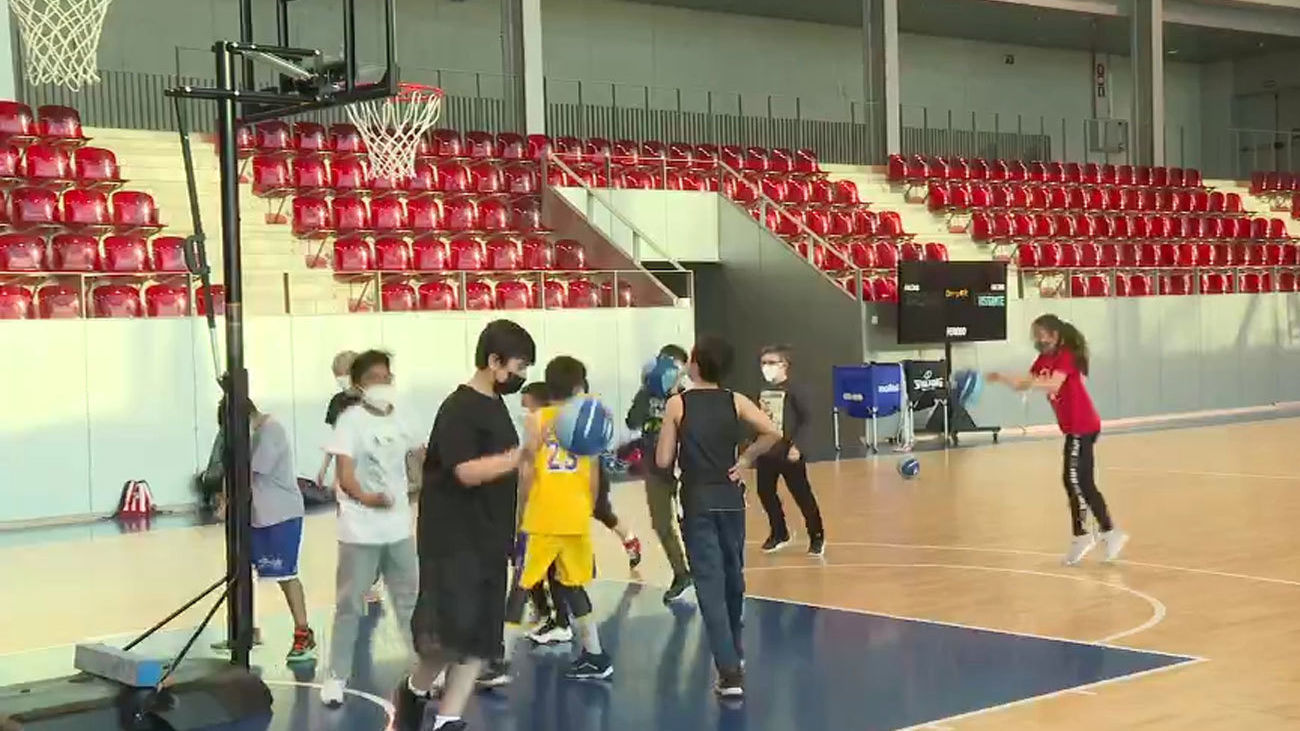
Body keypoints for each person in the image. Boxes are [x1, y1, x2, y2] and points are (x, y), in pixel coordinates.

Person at [403, 320, 536, 731]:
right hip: (454, 541)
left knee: (481, 638)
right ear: (494, 361)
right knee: (449, 638)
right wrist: (520, 455)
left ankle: (449, 719)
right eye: (518, 367)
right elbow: (465, 471)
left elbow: (507, 469)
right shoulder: (458, 409)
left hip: (491, 538)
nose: (521, 376)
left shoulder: (497, 406)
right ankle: (412, 691)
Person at [656, 335, 781, 699]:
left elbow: (663, 460)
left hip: (697, 499)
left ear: (694, 364)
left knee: (709, 585)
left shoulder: (677, 403)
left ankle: (729, 672)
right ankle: (735, 652)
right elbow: (772, 432)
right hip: (730, 497)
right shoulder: (736, 400)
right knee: (732, 578)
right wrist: (745, 460)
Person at [320, 350, 425, 707]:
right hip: (359, 531)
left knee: (409, 600)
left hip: (398, 529)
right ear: (358, 385)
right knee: (350, 604)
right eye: (373, 378)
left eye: (386, 376)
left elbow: (421, 456)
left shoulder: (404, 416)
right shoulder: (350, 421)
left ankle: (423, 669)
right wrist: (368, 498)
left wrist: (425, 481)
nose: (382, 383)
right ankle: (336, 675)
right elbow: (345, 475)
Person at [987, 314, 1129, 566]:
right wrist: (1002, 377)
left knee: (1072, 479)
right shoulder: (1043, 360)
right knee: (1084, 483)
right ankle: (1110, 532)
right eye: (1035, 335)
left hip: (1082, 425)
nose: (1037, 339)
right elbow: (1025, 383)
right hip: (1074, 428)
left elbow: (1053, 384)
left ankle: (1082, 535)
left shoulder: (1066, 356)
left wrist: (1032, 382)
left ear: (1054, 335)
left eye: (1041, 334)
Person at [517, 356, 612, 679]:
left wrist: (521, 510)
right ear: (578, 385)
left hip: (543, 514)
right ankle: (595, 653)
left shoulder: (537, 420)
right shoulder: (590, 417)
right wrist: (589, 508)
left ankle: (499, 659)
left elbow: (527, 471)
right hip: (575, 514)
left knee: (520, 585)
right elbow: (595, 476)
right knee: (573, 585)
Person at [214, 397, 314, 663]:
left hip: (280, 515)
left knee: (285, 575)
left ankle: (303, 633)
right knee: (242, 571)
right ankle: (248, 629)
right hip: (256, 516)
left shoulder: (271, 432)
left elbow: (247, 473)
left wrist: (226, 501)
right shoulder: (251, 436)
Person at [626, 344, 693, 603]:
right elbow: (631, 421)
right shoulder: (646, 393)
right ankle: (681, 572)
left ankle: (703, 570)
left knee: (691, 521)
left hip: (685, 467)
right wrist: (647, 393)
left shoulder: (688, 396)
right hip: (654, 467)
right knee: (661, 522)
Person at [754, 344, 825, 556]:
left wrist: (798, 445)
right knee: (765, 492)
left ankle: (817, 535)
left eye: (771, 363)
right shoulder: (763, 391)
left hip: (788, 451)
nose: (766, 367)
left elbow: (807, 419)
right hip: (767, 450)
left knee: (802, 494)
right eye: (763, 363)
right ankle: (779, 532)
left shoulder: (795, 390)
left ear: (784, 365)